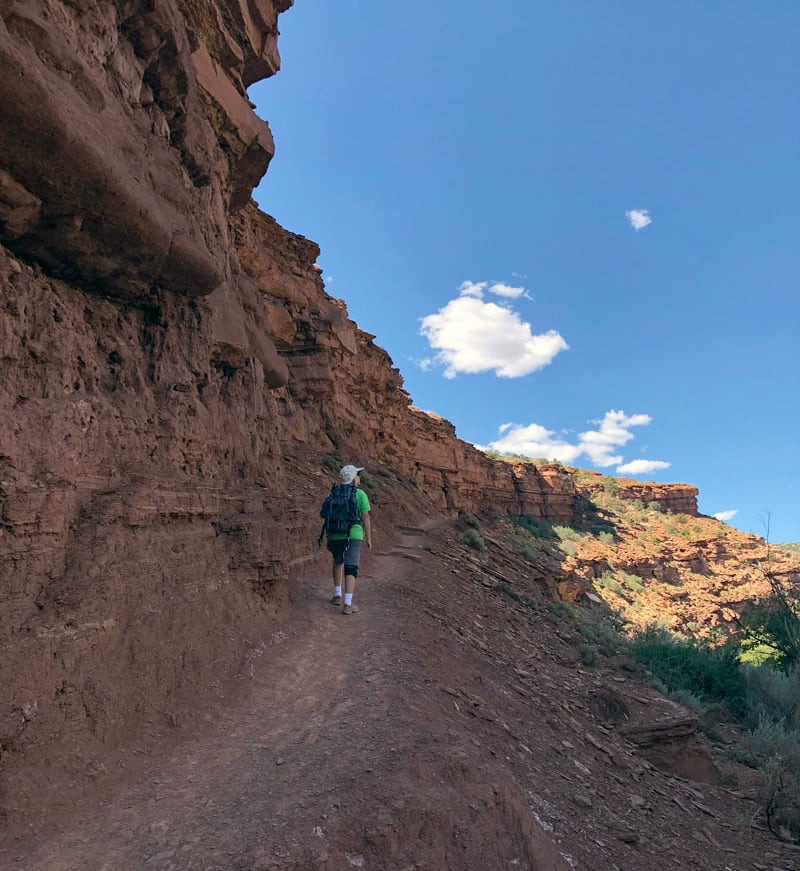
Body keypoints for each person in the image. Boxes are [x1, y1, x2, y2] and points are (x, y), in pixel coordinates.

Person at [327, 464, 372, 615]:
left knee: (338, 561)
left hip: (334, 533)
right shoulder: (360, 494)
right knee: (351, 567)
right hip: (354, 534)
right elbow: (365, 516)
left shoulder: (335, 493)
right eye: (357, 475)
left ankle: (337, 595)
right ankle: (347, 604)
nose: (359, 478)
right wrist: (369, 537)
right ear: (354, 478)